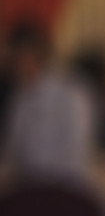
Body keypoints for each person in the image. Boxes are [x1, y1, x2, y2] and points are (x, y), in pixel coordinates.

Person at [0, 20, 97, 187]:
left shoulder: (71, 94)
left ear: (29, 55)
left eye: (11, 56)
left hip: (62, 191)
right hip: (26, 189)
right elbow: (12, 151)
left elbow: (72, 157)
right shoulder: (20, 95)